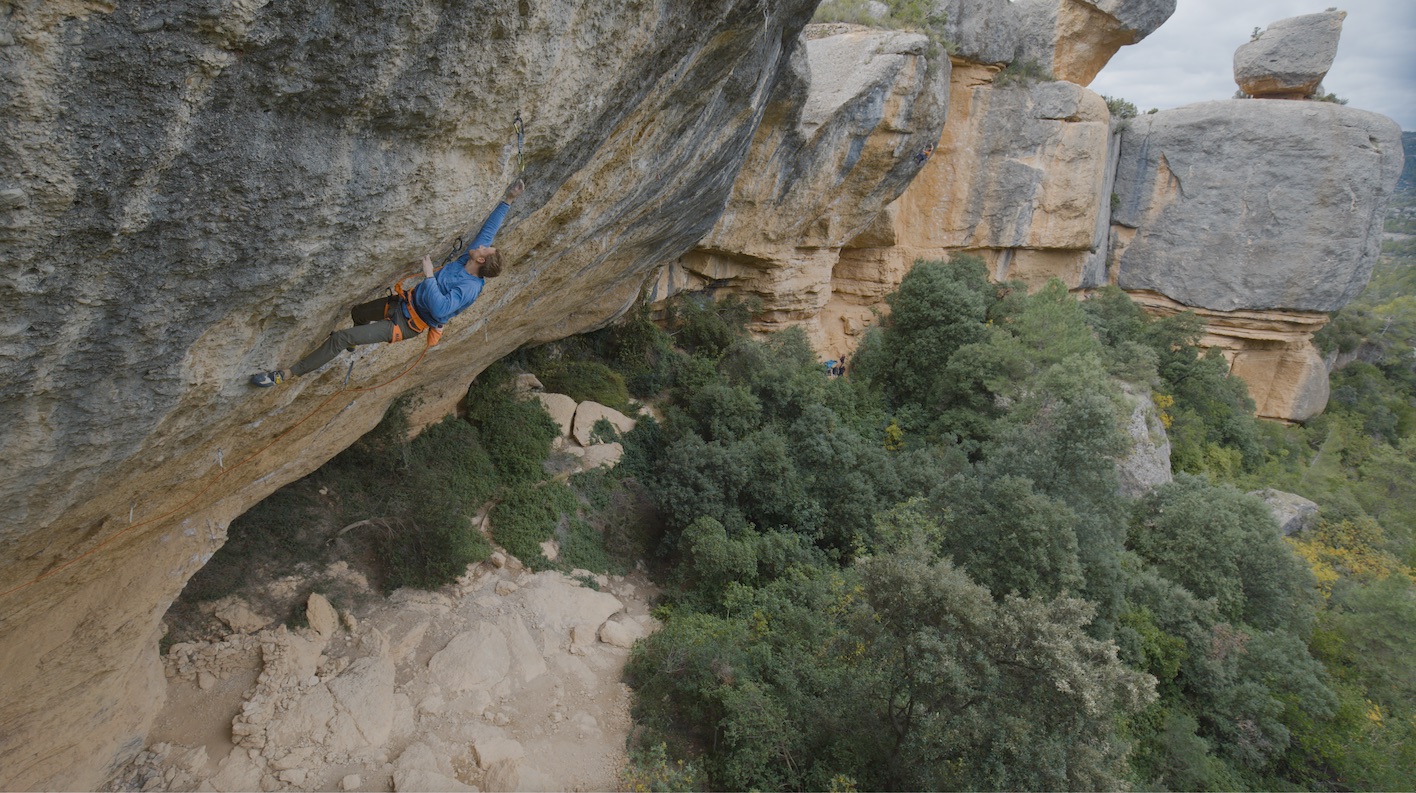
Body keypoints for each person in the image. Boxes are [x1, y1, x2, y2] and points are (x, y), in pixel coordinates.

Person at [250, 179, 525, 387]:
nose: (485, 246)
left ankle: (284, 374)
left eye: (486, 250)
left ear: (480, 261)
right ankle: (355, 338)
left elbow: (441, 310)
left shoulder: (468, 288)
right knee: (357, 313)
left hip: (405, 325)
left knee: (340, 337)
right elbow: (490, 229)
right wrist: (509, 200)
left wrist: (429, 276)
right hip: (402, 303)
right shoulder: (471, 258)